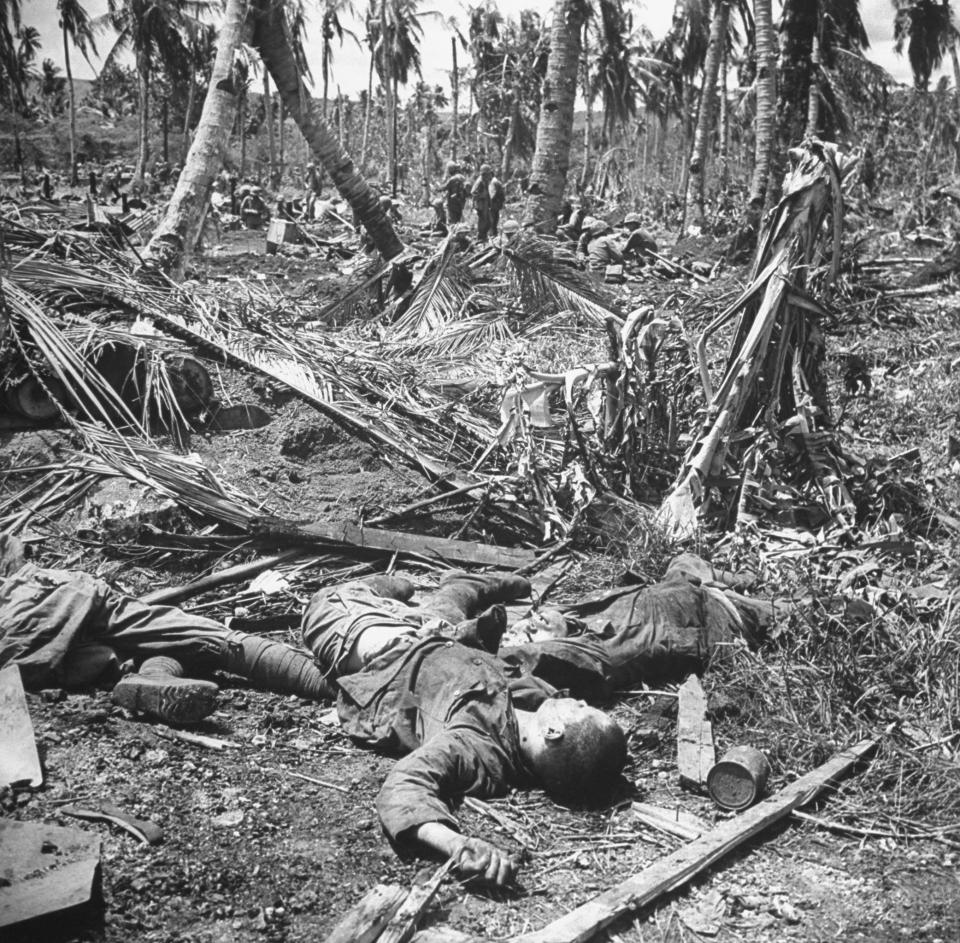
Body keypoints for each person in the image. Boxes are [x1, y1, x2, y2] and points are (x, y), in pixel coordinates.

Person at [301, 572, 628, 886]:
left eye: (582, 709)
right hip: (448, 638)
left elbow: (405, 787)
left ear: (553, 732)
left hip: (390, 652)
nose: (580, 701)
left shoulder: (474, 746)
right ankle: (460, 588)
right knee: (447, 607)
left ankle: (405, 593)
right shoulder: (535, 706)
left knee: (326, 602)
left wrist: (454, 843)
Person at [0, 535, 334, 726]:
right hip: (45, 600)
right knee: (207, 641)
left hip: (28, 629)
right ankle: (342, 688)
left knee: (145, 650)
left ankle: (154, 677)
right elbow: (12, 554)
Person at [471, 163, 495, 241]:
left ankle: (484, 236)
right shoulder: (479, 181)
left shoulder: (485, 181)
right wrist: (482, 195)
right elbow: (473, 192)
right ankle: (481, 237)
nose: (489, 176)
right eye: (488, 174)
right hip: (481, 204)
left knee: (488, 221)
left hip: (485, 203)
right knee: (483, 221)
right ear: (484, 174)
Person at [488, 171, 506, 237]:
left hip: (493, 204)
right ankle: (494, 233)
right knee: (495, 218)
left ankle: (492, 234)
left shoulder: (493, 182)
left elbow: (493, 193)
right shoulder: (496, 182)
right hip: (497, 204)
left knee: (492, 219)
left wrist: (489, 201)